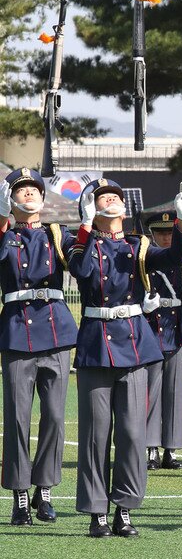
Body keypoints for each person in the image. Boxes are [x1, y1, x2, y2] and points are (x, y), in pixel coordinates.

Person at [65, 179, 182, 537]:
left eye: (116, 198)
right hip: (95, 345)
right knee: (95, 434)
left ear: (124, 208)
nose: (112, 201)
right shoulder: (79, 244)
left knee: (133, 432)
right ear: (91, 207)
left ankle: (124, 508)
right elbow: (83, 272)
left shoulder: (138, 246)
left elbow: (173, 259)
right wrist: (87, 228)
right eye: (103, 198)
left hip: (135, 344)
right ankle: (97, 513)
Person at [0, 168, 77, 526]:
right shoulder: (3, 236)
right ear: (11, 200)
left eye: (34, 190)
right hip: (17, 332)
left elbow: (86, 259)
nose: (28, 194)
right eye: (21, 190)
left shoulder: (57, 235)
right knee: (17, 418)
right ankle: (18, 496)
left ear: (43, 200)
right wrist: (2, 221)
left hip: (55, 331)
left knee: (56, 417)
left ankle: (44, 490)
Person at [141, 210, 182, 472]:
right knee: (150, 393)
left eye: (169, 232)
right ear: (151, 234)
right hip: (151, 330)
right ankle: (151, 447)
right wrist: (143, 308)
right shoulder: (144, 259)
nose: (165, 237)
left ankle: (170, 449)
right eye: (160, 233)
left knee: (174, 394)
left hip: (174, 331)